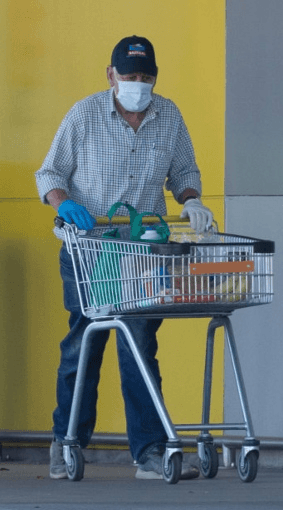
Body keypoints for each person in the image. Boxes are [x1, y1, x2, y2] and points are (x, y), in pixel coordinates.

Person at [35, 35, 213, 480]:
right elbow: (49, 173)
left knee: (139, 345)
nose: (138, 85)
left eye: (146, 77)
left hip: (139, 252)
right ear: (110, 75)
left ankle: (150, 453)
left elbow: (185, 171)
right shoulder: (84, 115)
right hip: (89, 247)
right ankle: (67, 442)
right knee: (85, 342)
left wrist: (190, 200)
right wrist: (63, 205)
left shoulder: (168, 116)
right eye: (130, 77)